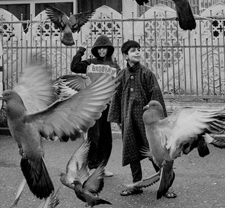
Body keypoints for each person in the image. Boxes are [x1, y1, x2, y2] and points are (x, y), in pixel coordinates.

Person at [107, 40, 169, 198]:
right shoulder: (121, 75)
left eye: (139, 50)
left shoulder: (147, 74)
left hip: (147, 124)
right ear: (125, 55)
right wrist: (118, 119)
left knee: (154, 153)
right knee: (132, 152)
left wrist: (159, 122)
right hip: (128, 121)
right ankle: (137, 185)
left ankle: (165, 185)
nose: (137, 53)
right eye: (133, 50)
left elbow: (156, 97)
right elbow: (116, 97)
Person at [71, 35, 119, 176]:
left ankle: (101, 167)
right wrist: (81, 50)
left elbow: (120, 83)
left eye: (104, 48)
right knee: (94, 136)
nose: (102, 51)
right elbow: (74, 67)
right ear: (95, 50)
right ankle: (92, 166)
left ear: (109, 50)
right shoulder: (90, 63)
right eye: (99, 48)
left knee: (106, 138)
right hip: (92, 105)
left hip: (107, 106)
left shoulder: (114, 66)